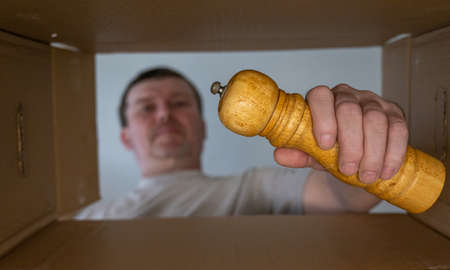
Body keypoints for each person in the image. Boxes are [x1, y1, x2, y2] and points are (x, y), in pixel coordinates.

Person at [74, 67, 408, 219]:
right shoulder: (89, 221)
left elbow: (344, 197)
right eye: (147, 107)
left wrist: (362, 147)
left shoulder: (256, 188)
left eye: (179, 104)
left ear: (203, 127)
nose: (164, 115)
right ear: (125, 137)